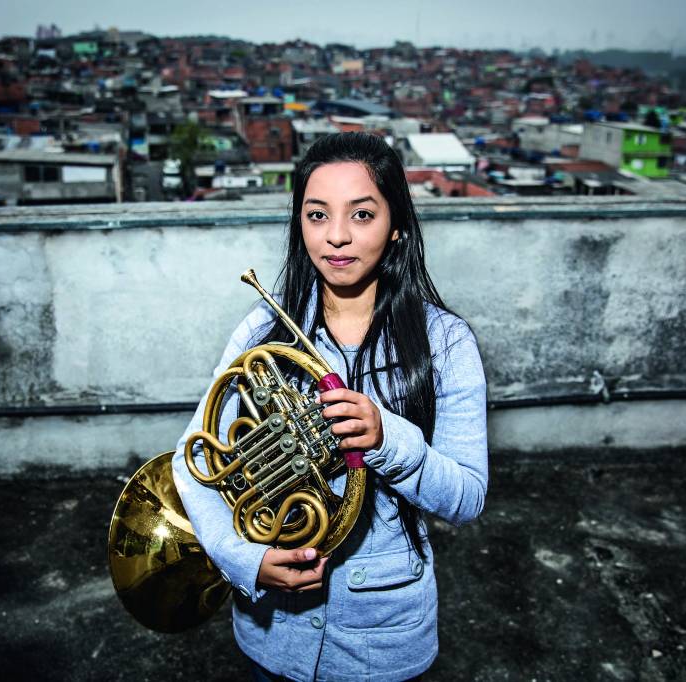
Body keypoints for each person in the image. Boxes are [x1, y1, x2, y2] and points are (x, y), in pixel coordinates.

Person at [172, 132, 488, 682]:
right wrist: (245, 560)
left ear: (396, 227)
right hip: (273, 631)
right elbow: (195, 459)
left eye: (362, 215)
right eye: (317, 216)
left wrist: (387, 440)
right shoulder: (262, 330)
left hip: (384, 638)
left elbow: (466, 496)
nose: (336, 237)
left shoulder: (447, 343)